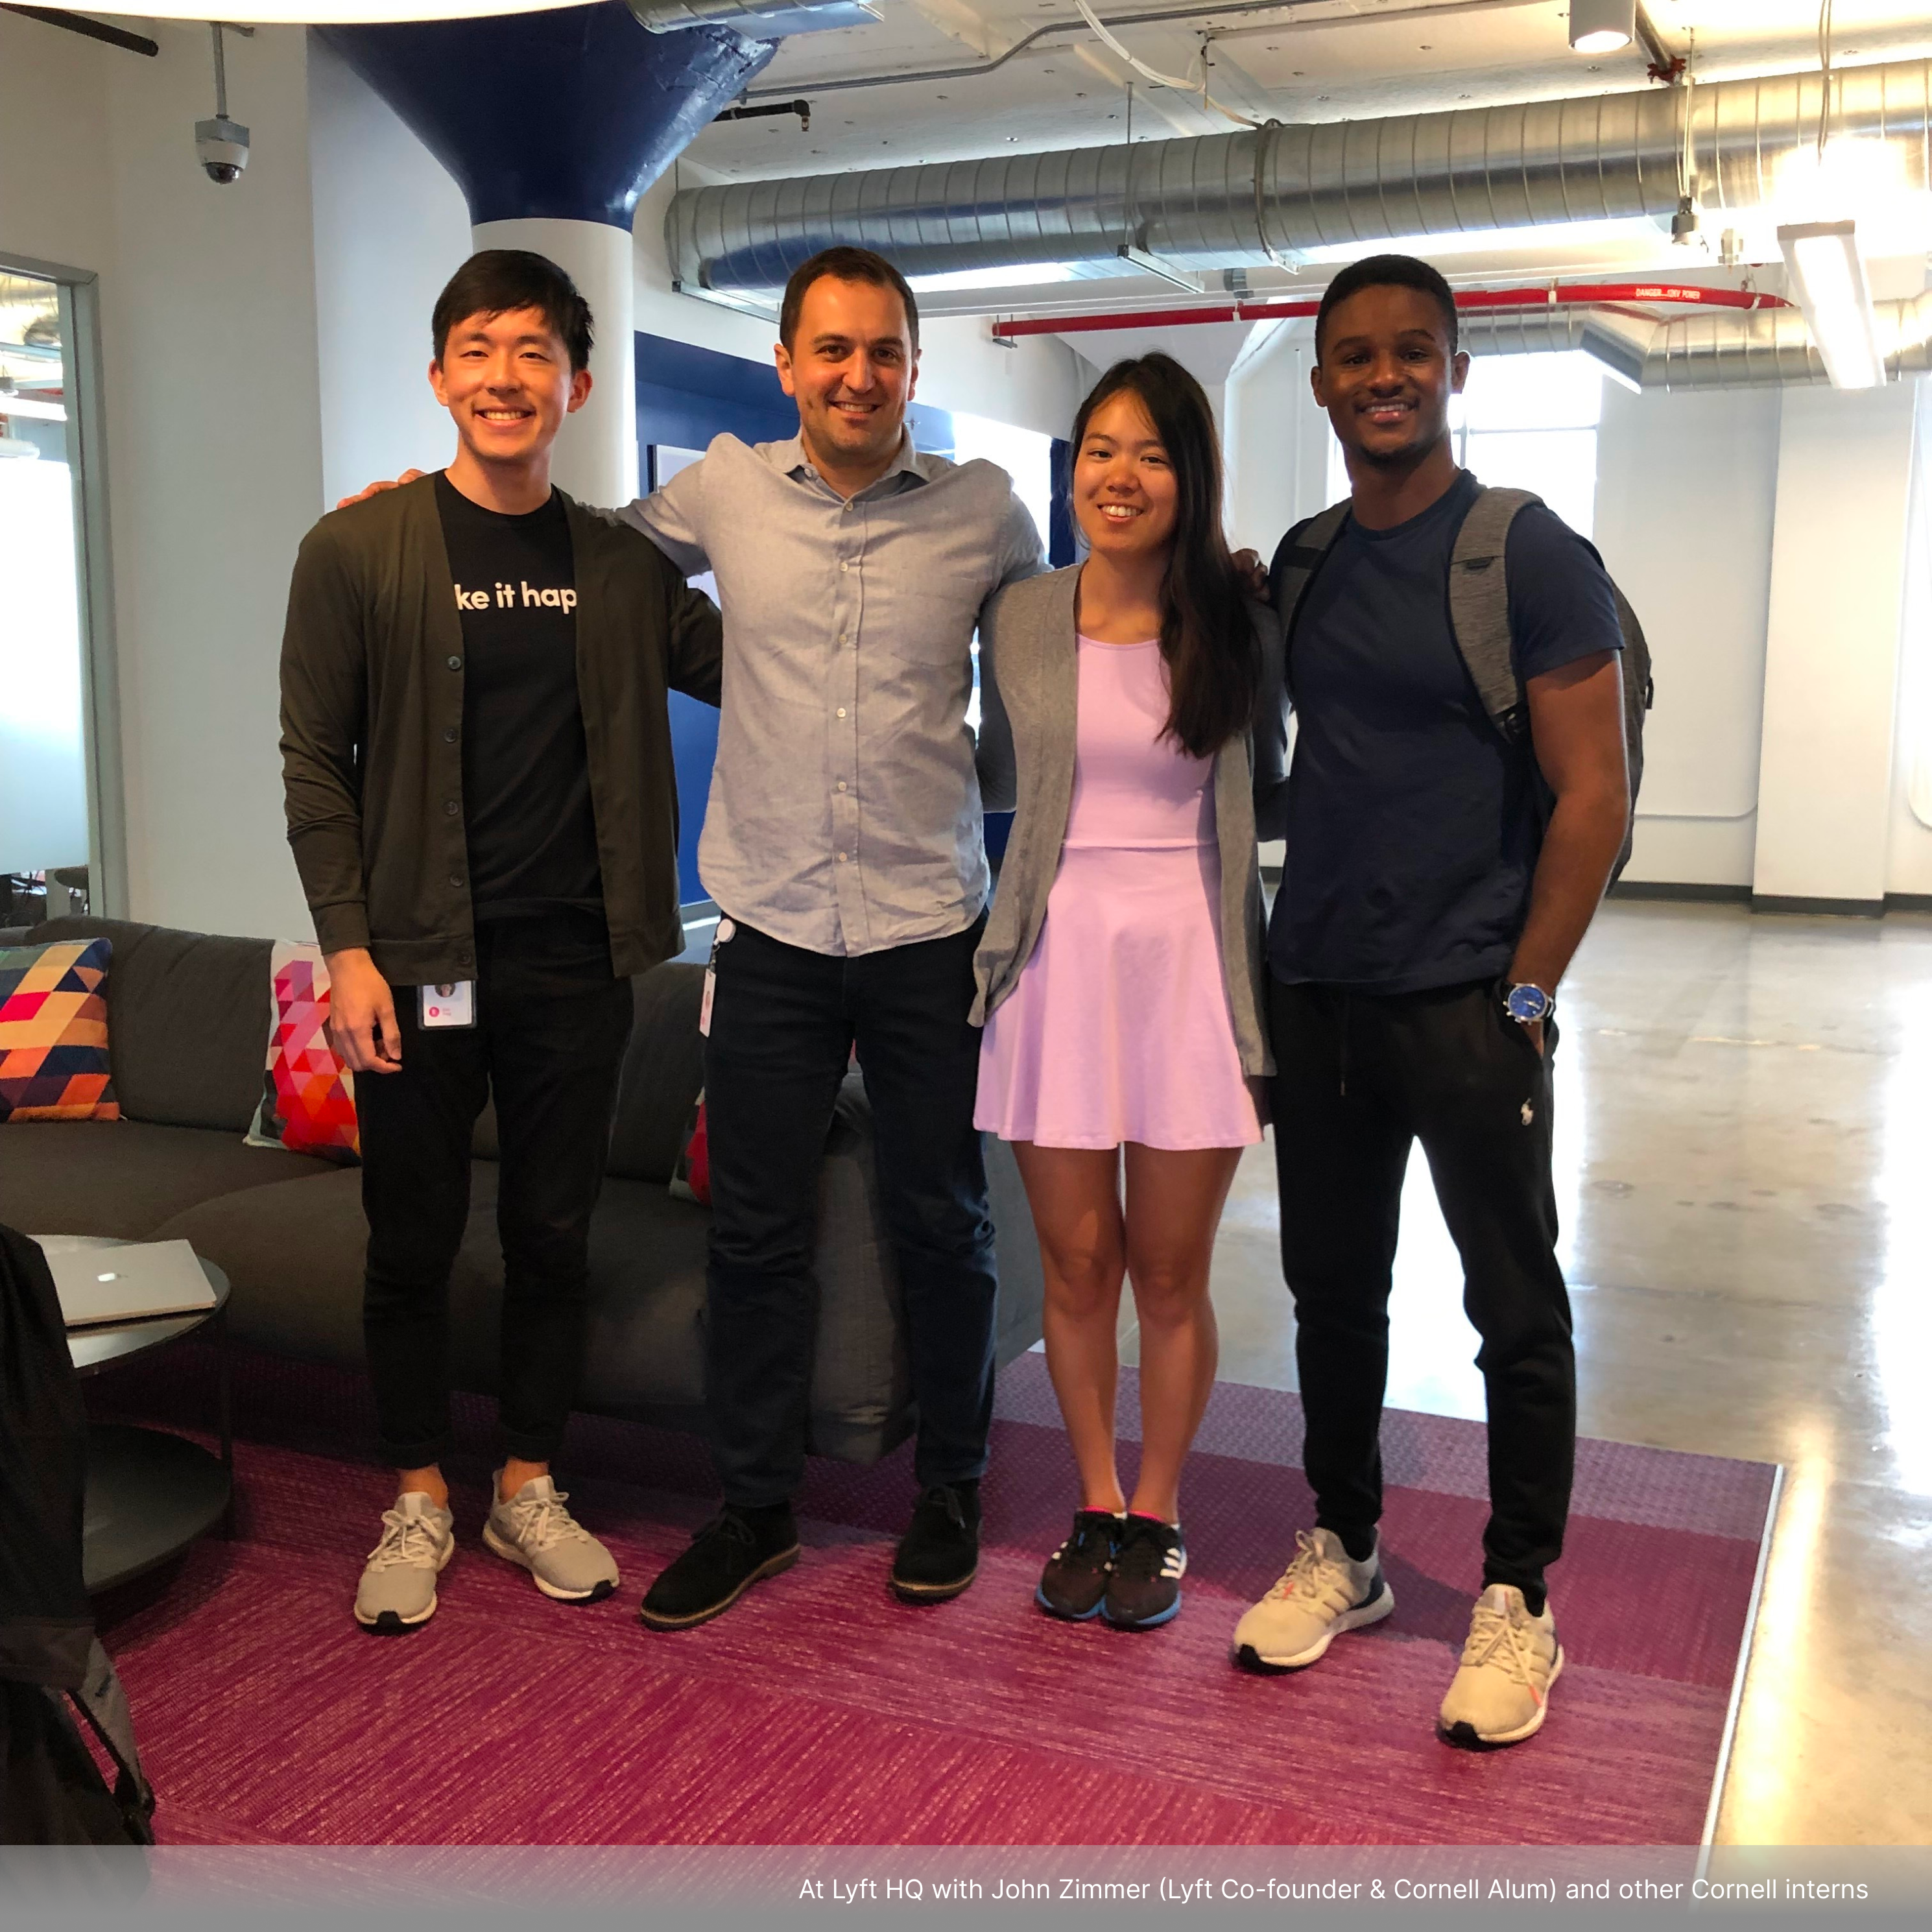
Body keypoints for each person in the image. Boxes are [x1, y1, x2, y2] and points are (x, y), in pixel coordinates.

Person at [337, 246, 1047, 1627]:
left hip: (924, 927)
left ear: (914, 367)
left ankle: (948, 1490)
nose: (856, 374)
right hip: (770, 926)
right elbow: (567, 535)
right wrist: (412, 522)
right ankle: (754, 1506)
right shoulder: (719, 489)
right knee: (757, 1232)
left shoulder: (989, 513)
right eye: (828, 349)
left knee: (942, 1220)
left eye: (882, 351)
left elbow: (1046, 667)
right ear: (785, 364)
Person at [281, 250, 723, 1634]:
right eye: (478, 349)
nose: (505, 377)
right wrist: (346, 949)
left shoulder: (621, 565)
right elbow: (314, 761)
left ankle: (527, 1480)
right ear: (438, 378)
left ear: (577, 386)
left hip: (574, 965)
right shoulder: (355, 550)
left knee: (552, 1233)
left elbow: (773, 658)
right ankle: (416, 1488)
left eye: (535, 353)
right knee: (407, 1237)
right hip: (411, 962)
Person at [1228, 254, 1630, 1747]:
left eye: (1411, 352)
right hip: (1319, 989)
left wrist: (1526, 995)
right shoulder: (1310, 555)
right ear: (1322, 381)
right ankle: (1347, 1549)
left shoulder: (1525, 555)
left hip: (1467, 997)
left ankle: (1517, 1598)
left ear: (1452, 369)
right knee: (1330, 1297)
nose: (1382, 376)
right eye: (1353, 356)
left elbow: (1596, 796)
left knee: (1511, 1308)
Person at [973, 355, 1285, 1631]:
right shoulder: (1020, 616)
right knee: (1074, 1257)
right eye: (1098, 448)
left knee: (1166, 1267)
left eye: (1150, 453)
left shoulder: (1236, 619)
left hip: (1190, 972)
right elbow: (991, 771)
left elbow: (1277, 783)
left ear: (1189, 475)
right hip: (1054, 965)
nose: (1119, 474)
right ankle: (1094, 1499)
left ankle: (1157, 1510)